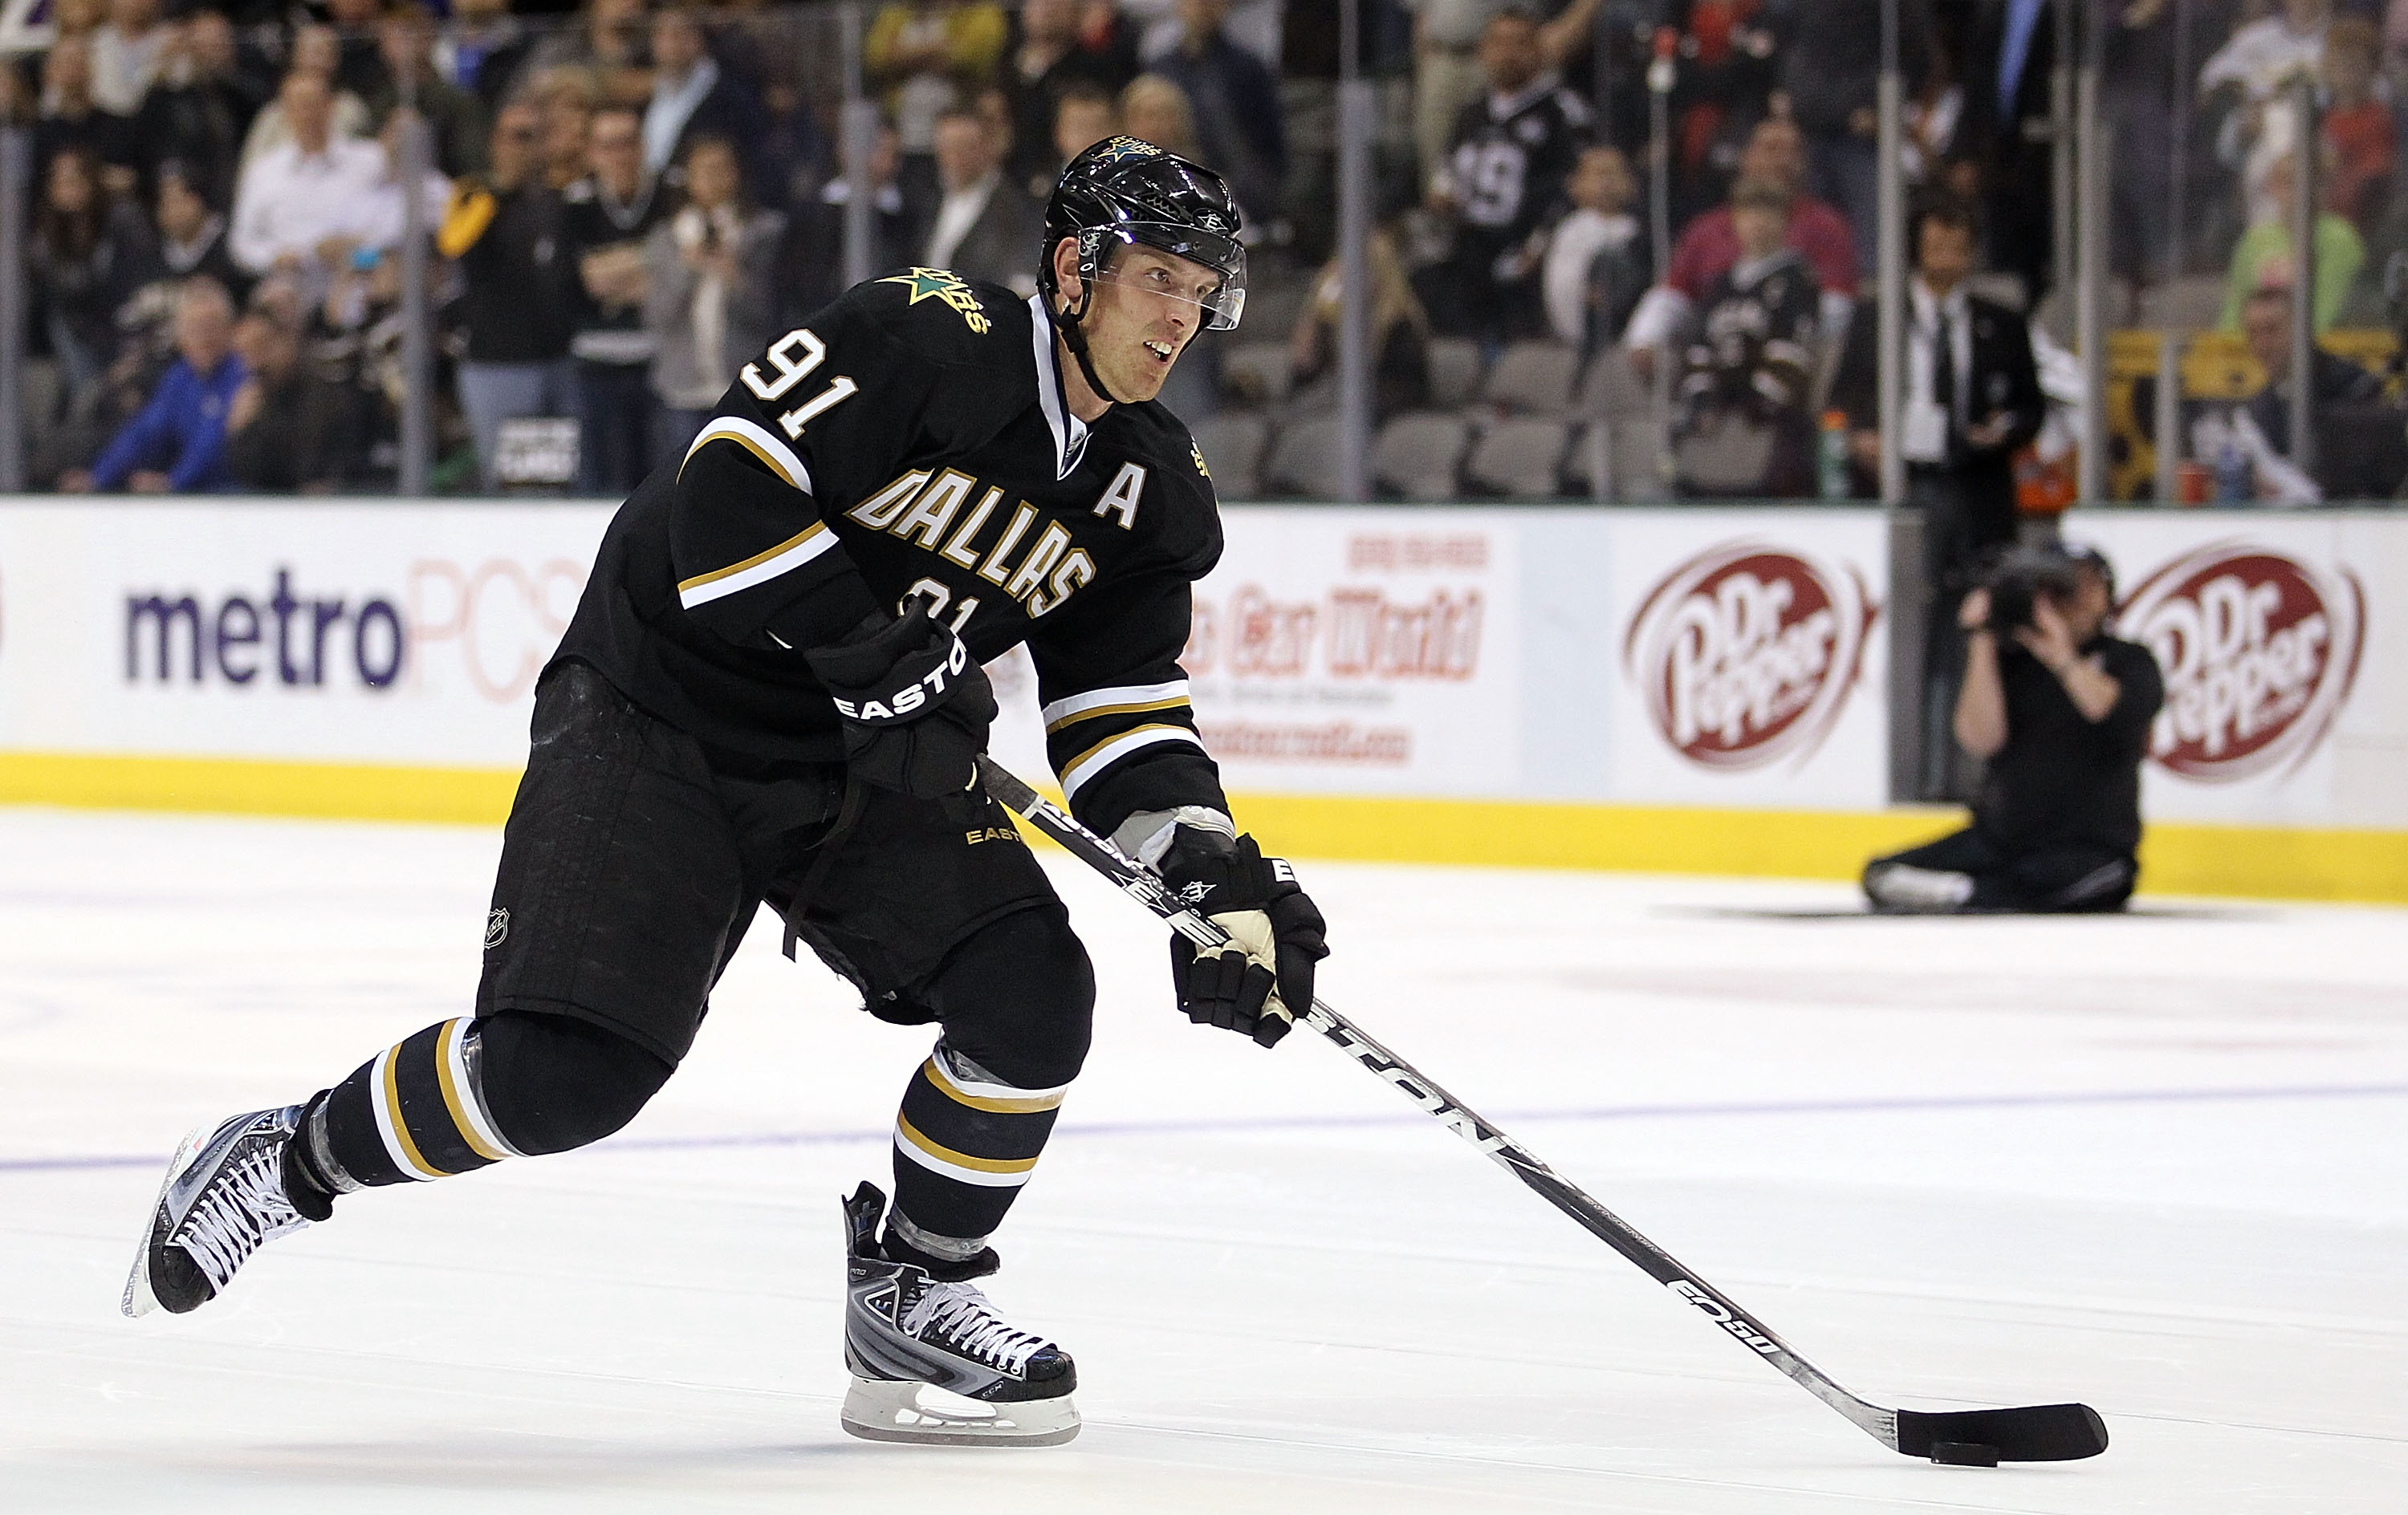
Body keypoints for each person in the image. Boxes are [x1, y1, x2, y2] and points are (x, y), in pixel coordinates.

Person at [124, 136, 1328, 1456]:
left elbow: (1120, 715)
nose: (1179, 314)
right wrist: (878, 658)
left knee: (1031, 988)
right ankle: (291, 1156)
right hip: (664, 705)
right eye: (1155, 275)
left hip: (857, 755)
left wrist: (1215, 875)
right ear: (1071, 267)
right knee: (561, 1078)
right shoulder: (922, 334)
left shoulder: (1149, 490)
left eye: (1199, 287)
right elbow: (725, 494)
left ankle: (917, 1286)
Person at [1831, 195, 2044, 797]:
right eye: (1936, 241)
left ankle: (1972, 773)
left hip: (1978, 491)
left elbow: (2031, 409)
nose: (1948, 253)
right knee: (1910, 630)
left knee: (1975, 629)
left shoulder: (1999, 321)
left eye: (1958, 242)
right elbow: (1844, 399)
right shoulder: (1878, 319)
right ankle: (1907, 770)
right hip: (1903, 493)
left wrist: (2001, 431)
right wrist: (1862, 440)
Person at [1864, 545, 2164, 915]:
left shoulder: (2129, 661)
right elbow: (1980, 738)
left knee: (2074, 885)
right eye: (2052, 590)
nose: (2062, 600)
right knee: (1881, 874)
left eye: (2077, 587)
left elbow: (2103, 706)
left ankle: (1973, 893)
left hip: (2087, 848)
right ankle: (1972, 891)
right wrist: (1981, 640)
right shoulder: (2009, 663)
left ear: (2105, 596)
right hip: (2002, 842)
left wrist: (2061, 656)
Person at [1624, 117, 1855, 384]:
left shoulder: (1826, 225)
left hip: (1790, 362)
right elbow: (1674, 295)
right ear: (1746, 156)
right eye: (1771, 149)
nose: (1783, 160)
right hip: (1716, 356)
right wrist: (1646, 338)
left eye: (1793, 151)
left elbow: (1837, 308)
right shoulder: (1706, 229)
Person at [1425, 8, 1592, 343]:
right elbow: (1447, 165)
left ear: (1538, 49)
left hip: (1525, 248)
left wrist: (1541, 242)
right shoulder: (1472, 110)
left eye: (1519, 44)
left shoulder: (1562, 112)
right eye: (1498, 43)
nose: (1507, 54)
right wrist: (1441, 192)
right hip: (1467, 245)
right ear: (1483, 50)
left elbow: (1577, 188)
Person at [438, 102, 577, 490]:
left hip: (555, 360)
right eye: (517, 136)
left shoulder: (555, 201)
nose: (525, 147)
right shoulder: (473, 194)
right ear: (496, 142)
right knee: (507, 482)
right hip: (497, 364)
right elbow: (454, 245)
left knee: (556, 479)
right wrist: (498, 191)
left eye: (534, 136)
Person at [1670, 177, 1819, 498]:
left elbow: (1791, 353)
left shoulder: (1796, 281)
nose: (1759, 223)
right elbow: (1699, 350)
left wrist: (1757, 404)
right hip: (1718, 421)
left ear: (1786, 221)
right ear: (1734, 220)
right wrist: (1703, 399)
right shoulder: (1721, 284)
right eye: (1750, 213)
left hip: (1771, 426)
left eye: (1769, 214)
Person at [645, 135, 785, 461]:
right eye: (704, 171)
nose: (714, 179)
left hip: (741, 385)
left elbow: (771, 313)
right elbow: (658, 314)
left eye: (722, 169)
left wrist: (735, 277)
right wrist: (688, 267)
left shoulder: (764, 232)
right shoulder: (666, 237)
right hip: (681, 388)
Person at [563, 104, 673, 496]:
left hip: (660, 361)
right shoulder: (574, 205)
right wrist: (649, 259)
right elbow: (583, 281)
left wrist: (613, 268)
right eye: (608, 145)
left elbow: (673, 276)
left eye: (627, 143)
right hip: (595, 361)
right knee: (599, 479)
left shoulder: (670, 194)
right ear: (591, 153)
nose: (619, 155)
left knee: (657, 480)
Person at [62, 277, 244, 493]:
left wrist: (173, 483)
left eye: (212, 327)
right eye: (196, 328)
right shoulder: (179, 378)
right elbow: (145, 432)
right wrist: (97, 478)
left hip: (235, 495)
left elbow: (212, 444)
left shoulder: (241, 376)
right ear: (181, 336)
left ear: (230, 331)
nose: (205, 337)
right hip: (193, 497)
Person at [229, 70, 388, 278]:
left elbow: (391, 241)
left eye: (314, 104)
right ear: (286, 113)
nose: (308, 114)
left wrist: (353, 256)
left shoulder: (371, 160)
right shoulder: (264, 171)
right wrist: (275, 257)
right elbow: (242, 244)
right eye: (299, 106)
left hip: (361, 277)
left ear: (331, 106)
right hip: (289, 282)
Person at [1153, 0, 1286, 225]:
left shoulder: (1248, 70)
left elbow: (1272, 149)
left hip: (1238, 193)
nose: (1202, 7)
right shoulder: (1162, 68)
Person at [2218, 148, 2363, 333]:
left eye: (2309, 182)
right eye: (2288, 182)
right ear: (2272, 187)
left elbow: (2326, 315)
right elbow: (2233, 313)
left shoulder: (2340, 239)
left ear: (2323, 187)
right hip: (2253, 354)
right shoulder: (2254, 241)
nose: (2298, 192)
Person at [917, 104, 1046, 294]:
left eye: (963, 146)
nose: (953, 157)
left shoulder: (1017, 209)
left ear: (988, 146)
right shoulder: (927, 200)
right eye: (945, 146)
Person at [1542, 143, 1647, 351]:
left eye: (1614, 174)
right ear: (1576, 183)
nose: (1606, 184)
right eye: (1597, 175)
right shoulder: (1571, 226)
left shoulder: (1634, 229)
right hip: (1573, 327)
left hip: (1619, 332)